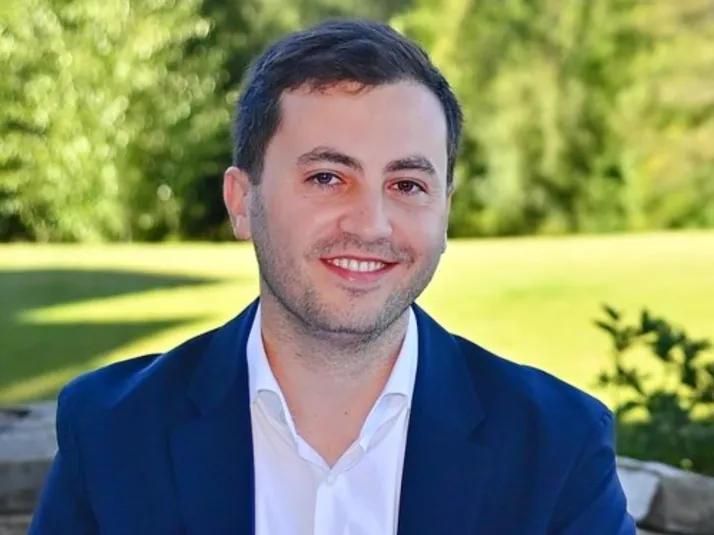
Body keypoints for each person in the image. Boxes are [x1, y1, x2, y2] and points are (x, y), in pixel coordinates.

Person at [29, 18, 637, 535]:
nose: (371, 224)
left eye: (407, 185)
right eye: (327, 178)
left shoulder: (556, 446)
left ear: (445, 208)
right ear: (242, 201)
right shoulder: (113, 432)